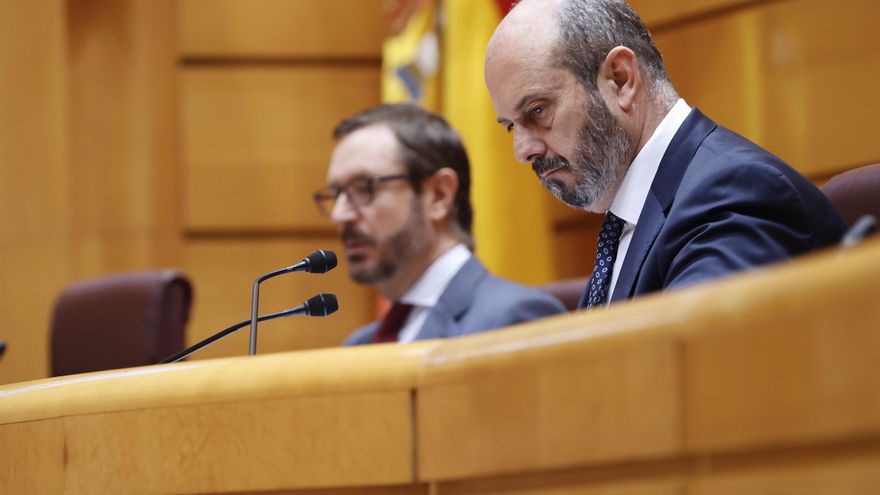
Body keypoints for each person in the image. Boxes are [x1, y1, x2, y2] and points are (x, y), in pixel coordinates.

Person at [484, 0, 846, 309]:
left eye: (536, 111)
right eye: (510, 126)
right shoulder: (630, 218)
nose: (523, 150)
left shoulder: (735, 195)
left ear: (620, 79)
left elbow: (690, 374)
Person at [314, 104, 565, 345]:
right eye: (336, 194)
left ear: (438, 195)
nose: (340, 215)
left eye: (363, 188)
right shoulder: (360, 346)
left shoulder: (515, 322)